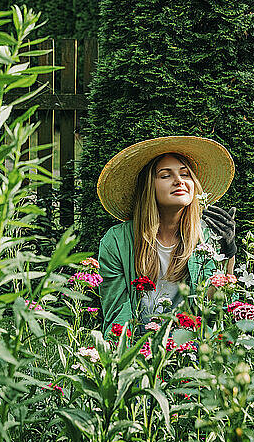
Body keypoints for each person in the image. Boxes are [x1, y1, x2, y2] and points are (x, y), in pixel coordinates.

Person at [96, 136, 237, 338]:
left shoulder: (205, 237)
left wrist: (228, 254)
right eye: (165, 175)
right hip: (137, 348)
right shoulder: (117, 242)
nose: (179, 181)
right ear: (148, 187)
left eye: (185, 174)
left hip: (191, 348)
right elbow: (117, 314)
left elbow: (215, 310)